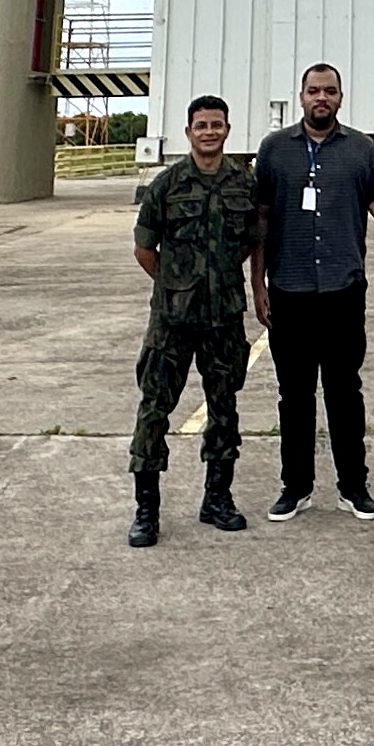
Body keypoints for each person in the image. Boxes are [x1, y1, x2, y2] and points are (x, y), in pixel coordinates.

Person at [251, 62, 374, 521]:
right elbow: (260, 218)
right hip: (289, 290)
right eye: (314, 90)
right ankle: (295, 487)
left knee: (344, 391)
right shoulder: (274, 150)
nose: (322, 98)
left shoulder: (361, 149)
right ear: (301, 96)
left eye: (329, 91)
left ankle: (353, 486)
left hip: (343, 290)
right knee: (294, 395)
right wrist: (257, 283)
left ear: (340, 97)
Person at [126, 93, 266, 548]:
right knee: (154, 410)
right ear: (188, 132)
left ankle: (217, 498)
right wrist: (177, 283)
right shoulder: (167, 185)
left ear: (227, 130)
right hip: (172, 320)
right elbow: (144, 249)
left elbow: (252, 242)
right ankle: (146, 510)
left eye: (216, 124)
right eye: (201, 125)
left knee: (224, 409)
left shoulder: (243, 185)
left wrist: (228, 281)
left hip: (223, 317)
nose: (209, 132)